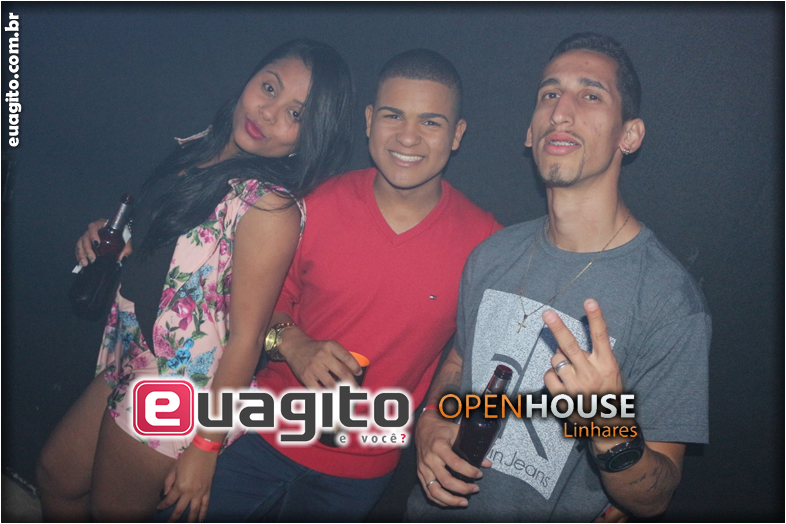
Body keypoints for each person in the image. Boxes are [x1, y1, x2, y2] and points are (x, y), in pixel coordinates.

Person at [36, 39, 354, 522]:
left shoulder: (268, 205)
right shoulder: (201, 148)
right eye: (269, 88)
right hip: (134, 351)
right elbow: (179, 252)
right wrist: (117, 239)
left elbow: (248, 340)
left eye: (296, 114)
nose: (268, 113)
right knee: (57, 477)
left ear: (309, 137)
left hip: (182, 384)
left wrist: (206, 447)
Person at [407, 33, 711, 522]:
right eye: (550, 94)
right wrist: (430, 420)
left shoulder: (668, 300)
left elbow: (654, 497)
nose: (561, 112)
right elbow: (459, 361)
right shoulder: (491, 255)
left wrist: (608, 426)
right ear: (530, 132)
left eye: (590, 95)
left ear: (629, 135)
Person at [201, 49, 502, 522]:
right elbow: (251, 310)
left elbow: (475, 359)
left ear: (457, 134)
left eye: (430, 122)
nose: (407, 136)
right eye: (393, 115)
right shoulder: (309, 203)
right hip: (255, 438)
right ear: (368, 120)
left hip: (360, 474)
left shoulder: (486, 243)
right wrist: (294, 343)